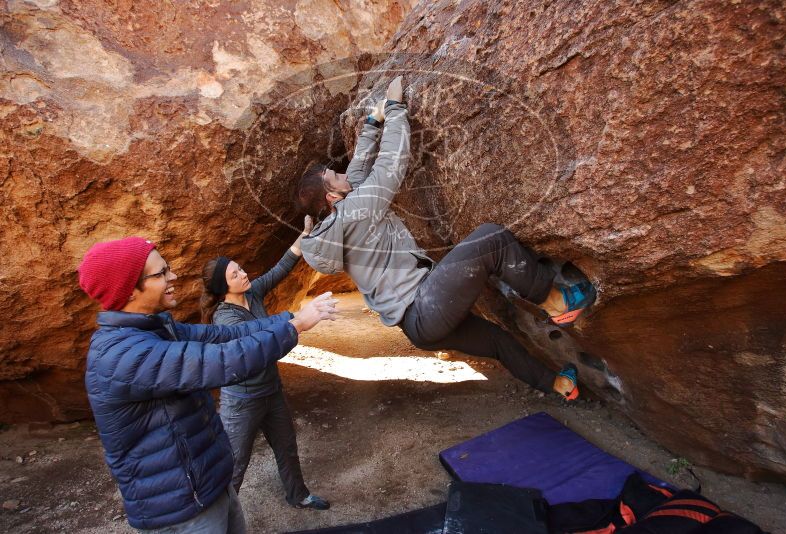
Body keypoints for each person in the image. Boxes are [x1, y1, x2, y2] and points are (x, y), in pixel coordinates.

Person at [295, 76, 595, 399]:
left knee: (497, 341)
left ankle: (560, 385)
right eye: (333, 177)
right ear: (332, 198)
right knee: (491, 240)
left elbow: (356, 172)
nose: (342, 173)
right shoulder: (356, 210)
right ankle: (556, 302)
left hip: (419, 328)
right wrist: (395, 109)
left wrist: (372, 123)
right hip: (425, 306)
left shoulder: (340, 221)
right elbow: (388, 167)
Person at [78, 236, 338, 532]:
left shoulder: (159, 328)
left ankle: (297, 494)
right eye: (161, 273)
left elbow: (221, 338)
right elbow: (222, 359)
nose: (173, 276)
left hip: (206, 486)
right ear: (129, 289)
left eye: (168, 268)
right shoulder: (125, 354)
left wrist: (292, 318)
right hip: (182, 508)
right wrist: (295, 327)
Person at [199, 216, 330, 510]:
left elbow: (281, 268)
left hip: (271, 391)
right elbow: (261, 336)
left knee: (286, 446)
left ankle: (299, 496)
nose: (243, 274)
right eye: (235, 274)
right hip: (242, 401)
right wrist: (298, 319)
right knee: (234, 464)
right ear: (223, 287)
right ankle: (219, 519)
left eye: (241, 268)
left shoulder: (252, 293)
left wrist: (304, 236)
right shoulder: (225, 317)